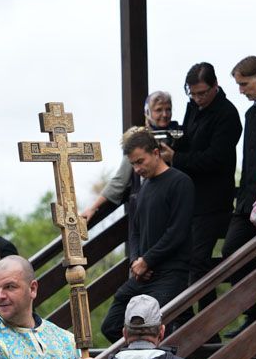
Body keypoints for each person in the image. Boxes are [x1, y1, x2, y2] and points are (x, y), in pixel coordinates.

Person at [100, 128, 193, 343]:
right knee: (111, 325)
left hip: (171, 274)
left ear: (156, 152)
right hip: (143, 275)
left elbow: (177, 232)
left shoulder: (180, 182)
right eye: (133, 164)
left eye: (141, 161)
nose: (137, 169)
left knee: (154, 328)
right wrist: (136, 261)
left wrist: (148, 260)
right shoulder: (144, 188)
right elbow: (135, 231)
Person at [159, 62, 244, 296]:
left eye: (202, 93)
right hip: (190, 197)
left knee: (198, 260)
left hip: (212, 200)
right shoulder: (194, 107)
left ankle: (208, 317)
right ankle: (195, 315)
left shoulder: (227, 114)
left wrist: (176, 157)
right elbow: (188, 139)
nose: (197, 98)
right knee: (188, 259)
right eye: (192, 93)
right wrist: (173, 144)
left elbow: (215, 158)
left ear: (215, 85)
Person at [218, 56, 256, 330]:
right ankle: (254, 312)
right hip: (246, 198)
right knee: (231, 251)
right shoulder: (250, 113)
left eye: (244, 84)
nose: (241, 90)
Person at [82, 91, 177, 228]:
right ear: (147, 112)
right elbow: (120, 180)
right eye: (158, 110)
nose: (165, 114)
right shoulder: (139, 138)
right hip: (148, 207)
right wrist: (93, 207)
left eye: (168, 109)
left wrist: (175, 157)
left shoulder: (179, 134)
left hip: (174, 203)